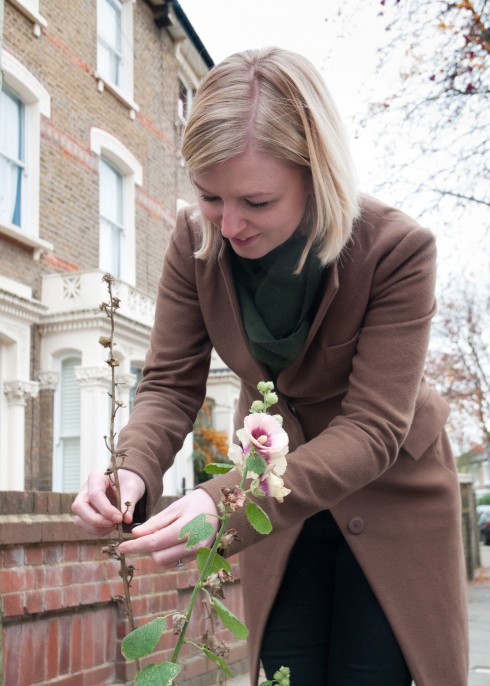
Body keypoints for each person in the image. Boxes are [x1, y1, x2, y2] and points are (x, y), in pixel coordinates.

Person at [72, 47, 468, 686]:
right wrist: (131, 471)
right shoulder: (194, 243)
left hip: (393, 489)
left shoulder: (398, 250)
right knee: (289, 671)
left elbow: (372, 429)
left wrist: (219, 501)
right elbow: (171, 382)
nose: (228, 225)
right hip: (275, 499)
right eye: (209, 196)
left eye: (255, 201)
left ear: (317, 176)